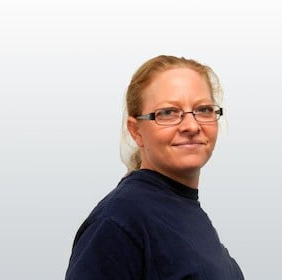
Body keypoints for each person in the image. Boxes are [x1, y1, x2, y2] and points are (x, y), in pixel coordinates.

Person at [66, 55, 243, 279]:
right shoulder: (119, 221)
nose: (191, 125)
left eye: (204, 110)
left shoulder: (185, 211)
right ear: (136, 131)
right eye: (168, 113)